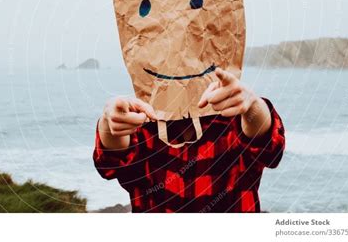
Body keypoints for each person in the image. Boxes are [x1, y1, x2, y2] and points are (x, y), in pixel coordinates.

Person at [93, 67, 285, 213]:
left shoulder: (233, 121)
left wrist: (252, 104)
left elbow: (270, 147)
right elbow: (111, 160)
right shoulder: (142, 126)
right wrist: (108, 122)